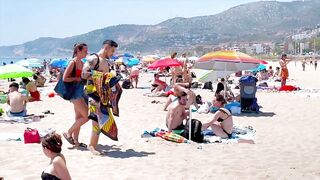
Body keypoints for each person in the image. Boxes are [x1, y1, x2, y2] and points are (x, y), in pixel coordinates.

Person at [82, 40, 118, 155]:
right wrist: (100, 75)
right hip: (93, 93)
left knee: (101, 120)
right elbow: (84, 74)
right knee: (96, 120)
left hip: (103, 95)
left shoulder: (106, 62)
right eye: (112, 50)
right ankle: (91, 146)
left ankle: (93, 145)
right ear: (106, 47)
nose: (113, 53)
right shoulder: (93, 58)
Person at [63, 43, 89, 148]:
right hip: (74, 94)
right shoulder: (73, 62)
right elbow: (65, 78)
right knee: (87, 116)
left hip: (79, 92)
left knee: (78, 117)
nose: (86, 53)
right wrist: (77, 79)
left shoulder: (81, 63)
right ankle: (68, 133)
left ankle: (76, 142)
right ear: (78, 51)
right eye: (85, 51)